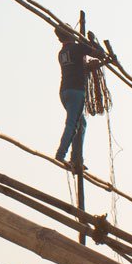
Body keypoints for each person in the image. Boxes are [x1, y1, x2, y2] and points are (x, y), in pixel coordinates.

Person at [54, 30, 100, 164]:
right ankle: (61, 154)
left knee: (81, 123)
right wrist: (93, 42)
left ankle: (76, 158)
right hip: (76, 91)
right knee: (72, 124)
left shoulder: (62, 53)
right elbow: (100, 54)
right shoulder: (78, 48)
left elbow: (78, 66)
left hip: (64, 91)